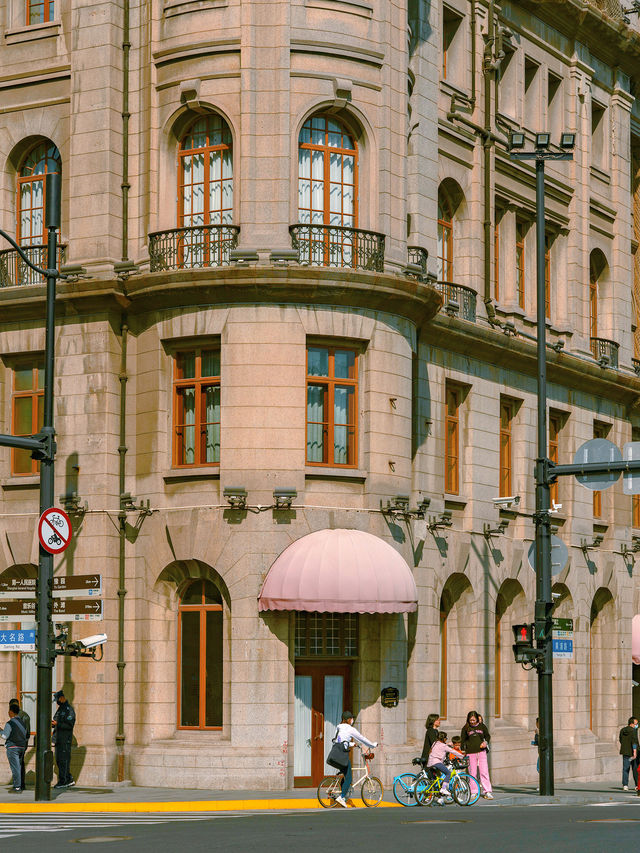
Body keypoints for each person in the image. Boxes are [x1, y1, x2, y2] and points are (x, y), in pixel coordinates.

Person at [330, 711, 377, 809]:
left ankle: (344, 794)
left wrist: (352, 744)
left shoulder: (338, 727)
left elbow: (339, 741)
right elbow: (361, 738)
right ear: (347, 720)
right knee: (349, 778)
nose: (352, 720)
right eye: (351, 718)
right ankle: (342, 797)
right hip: (343, 756)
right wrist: (372, 745)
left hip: (334, 756)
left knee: (345, 775)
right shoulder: (350, 729)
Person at [461, 710, 493, 799]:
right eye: (470, 720)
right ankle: (473, 791)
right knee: (472, 772)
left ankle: (487, 791)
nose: (472, 722)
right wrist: (463, 750)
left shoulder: (482, 726)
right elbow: (462, 740)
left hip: (481, 751)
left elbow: (487, 736)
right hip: (471, 752)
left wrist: (485, 743)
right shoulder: (465, 728)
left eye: (474, 720)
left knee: (484, 771)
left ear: (477, 719)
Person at [427, 731, 465, 805]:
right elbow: (453, 751)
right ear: (444, 739)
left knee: (437, 780)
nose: (446, 739)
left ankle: (439, 798)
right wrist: (462, 756)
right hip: (436, 762)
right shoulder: (444, 746)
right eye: (446, 738)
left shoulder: (434, 743)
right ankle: (444, 789)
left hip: (430, 763)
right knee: (448, 773)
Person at [52, 689, 76, 789]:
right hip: (58, 739)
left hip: (65, 739)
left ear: (62, 698)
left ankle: (64, 781)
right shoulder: (60, 709)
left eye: (57, 700)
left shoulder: (69, 710)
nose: (57, 702)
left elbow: (70, 725)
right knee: (58, 760)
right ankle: (68, 778)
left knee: (63, 760)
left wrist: (58, 724)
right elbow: (55, 719)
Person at [1, 706, 28, 793]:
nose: (8, 712)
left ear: (12, 712)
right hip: (22, 747)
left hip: (13, 747)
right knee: (19, 767)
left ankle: (17, 787)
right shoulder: (22, 723)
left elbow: (4, 736)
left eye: (9, 711)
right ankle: (19, 785)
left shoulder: (10, 723)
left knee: (15, 768)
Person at [8, 699, 30, 791]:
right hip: (21, 743)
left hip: (18, 743)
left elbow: (25, 731)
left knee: (18, 764)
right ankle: (20, 784)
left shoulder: (21, 716)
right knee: (20, 763)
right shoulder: (23, 715)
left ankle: (18, 785)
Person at [619, 716, 638, 791]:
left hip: (625, 752)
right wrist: (635, 752)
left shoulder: (622, 730)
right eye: (636, 723)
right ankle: (637, 785)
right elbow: (634, 742)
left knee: (625, 769)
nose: (637, 725)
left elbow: (620, 739)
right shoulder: (633, 731)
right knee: (635, 769)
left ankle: (625, 785)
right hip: (632, 753)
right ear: (631, 724)